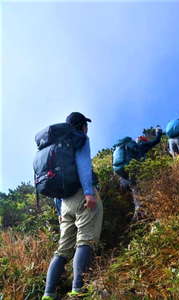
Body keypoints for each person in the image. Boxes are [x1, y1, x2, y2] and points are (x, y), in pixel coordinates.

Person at [42, 112, 103, 300]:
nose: (87, 128)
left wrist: (60, 210)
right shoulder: (80, 139)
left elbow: (54, 182)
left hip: (64, 202)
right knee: (85, 240)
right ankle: (78, 289)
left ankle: (49, 293)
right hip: (81, 195)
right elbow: (84, 166)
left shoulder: (54, 146)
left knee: (63, 249)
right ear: (82, 125)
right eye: (86, 125)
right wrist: (88, 193)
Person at [112, 126, 162, 219]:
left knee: (134, 189)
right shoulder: (140, 146)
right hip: (132, 172)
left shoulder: (123, 147)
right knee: (141, 189)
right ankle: (141, 214)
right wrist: (158, 132)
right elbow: (156, 141)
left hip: (121, 175)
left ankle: (138, 210)